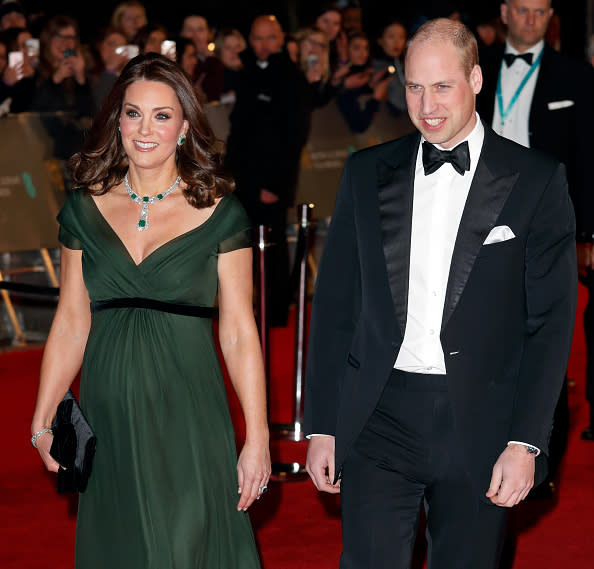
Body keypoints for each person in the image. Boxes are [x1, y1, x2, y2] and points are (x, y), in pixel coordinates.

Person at [305, 17, 576, 569]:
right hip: (379, 413)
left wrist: (526, 442)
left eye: (442, 85)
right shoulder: (365, 173)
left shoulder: (535, 179)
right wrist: (324, 424)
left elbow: (549, 326)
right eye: (413, 86)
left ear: (476, 79)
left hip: (481, 420)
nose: (426, 104)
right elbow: (335, 308)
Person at [30, 52, 270, 568]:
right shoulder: (84, 207)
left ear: (184, 126)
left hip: (190, 413)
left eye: (162, 115)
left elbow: (239, 332)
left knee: (186, 545)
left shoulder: (221, 213)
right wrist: (43, 416)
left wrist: (258, 436)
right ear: (117, 121)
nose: (145, 129)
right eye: (133, 112)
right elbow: (72, 321)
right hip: (109, 414)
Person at [476, 0, 594, 469]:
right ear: (504, 12)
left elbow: (587, 157)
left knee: (544, 332)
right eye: (522, 10)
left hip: (545, 219)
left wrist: (586, 231)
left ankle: (541, 455)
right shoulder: (475, 68)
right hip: (479, 216)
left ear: (552, 17)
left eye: (541, 11)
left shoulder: (576, 76)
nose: (531, 19)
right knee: (481, 330)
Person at [224, 14, 311, 328]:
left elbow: (293, 137)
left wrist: (275, 184)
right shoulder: (246, 74)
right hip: (241, 178)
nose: (263, 46)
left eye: (269, 38)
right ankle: (249, 310)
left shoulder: (290, 78)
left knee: (271, 251)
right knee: (241, 248)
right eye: (257, 39)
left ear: (281, 39)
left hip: (270, 180)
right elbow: (239, 131)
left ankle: (274, 313)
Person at [334, 30, 391, 133]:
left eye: (366, 48)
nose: (363, 53)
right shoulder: (342, 78)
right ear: (345, 49)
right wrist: (376, 98)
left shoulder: (364, 74)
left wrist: (370, 86)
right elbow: (359, 126)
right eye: (356, 48)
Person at [180, 14, 224, 103]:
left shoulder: (216, 61)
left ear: (209, 34)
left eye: (200, 30)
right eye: (190, 30)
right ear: (182, 33)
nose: (195, 35)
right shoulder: (177, 60)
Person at [371, 19, 408, 117]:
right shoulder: (376, 67)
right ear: (380, 40)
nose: (397, 42)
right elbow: (401, 102)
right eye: (391, 36)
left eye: (401, 37)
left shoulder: (403, 62)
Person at [88, 25, 129, 113]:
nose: (116, 51)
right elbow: (99, 108)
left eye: (122, 47)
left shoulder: (129, 77)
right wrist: (110, 70)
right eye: (112, 44)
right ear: (99, 46)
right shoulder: (88, 75)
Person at [213, 27, 246, 104]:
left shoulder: (252, 73)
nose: (234, 51)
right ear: (219, 52)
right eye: (228, 48)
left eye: (238, 47)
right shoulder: (215, 77)